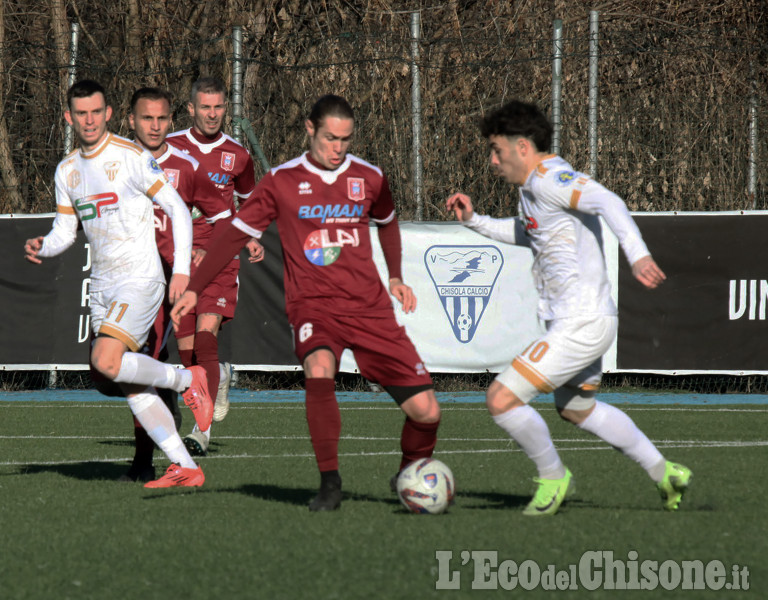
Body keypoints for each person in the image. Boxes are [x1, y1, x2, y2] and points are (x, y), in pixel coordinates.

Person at [172, 94, 442, 511]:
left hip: (369, 308)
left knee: (426, 411)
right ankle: (329, 484)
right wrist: (194, 286)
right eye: (331, 138)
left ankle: (410, 472)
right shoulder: (282, 180)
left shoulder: (369, 177)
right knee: (319, 370)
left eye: (346, 140)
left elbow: (387, 223)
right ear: (310, 129)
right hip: (313, 305)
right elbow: (233, 233)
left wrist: (395, 276)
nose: (338, 149)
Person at [446, 100, 692, 516]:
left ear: (522, 146)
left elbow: (608, 201)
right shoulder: (533, 190)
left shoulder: (550, 180)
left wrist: (638, 255)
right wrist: (475, 221)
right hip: (584, 320)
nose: (492, 160)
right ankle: (664, 471)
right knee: (577, 409)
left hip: (580, 323)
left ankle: (553, 477)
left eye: (496, 149)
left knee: (501, 399)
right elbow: (529, 234)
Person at [23, 80, 213, 489]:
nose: (89, 120)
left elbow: (178, 210)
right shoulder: (68, 170)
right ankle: (187, 467)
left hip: (139, 278)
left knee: (106, 360)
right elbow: (65, 231)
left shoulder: (131, 157)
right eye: (81, 113)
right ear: (68, 117)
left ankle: (186, 379)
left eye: (96, 111)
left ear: (108, 113)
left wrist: (180, 271)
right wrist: (45, 246)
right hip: (102, 286)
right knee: (119, 381)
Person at [166, 76, 260, 456]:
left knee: (207, 333)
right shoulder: (169, 147)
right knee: (187, 353)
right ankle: (217, 377)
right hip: (177, 259)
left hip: (220, 255)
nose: (212, 114)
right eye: (205, 107)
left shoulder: (237, 155)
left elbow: (250, 203)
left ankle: (199, 432)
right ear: (190, 109)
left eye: (218, 107)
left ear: (226, 109)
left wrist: (248, 236)